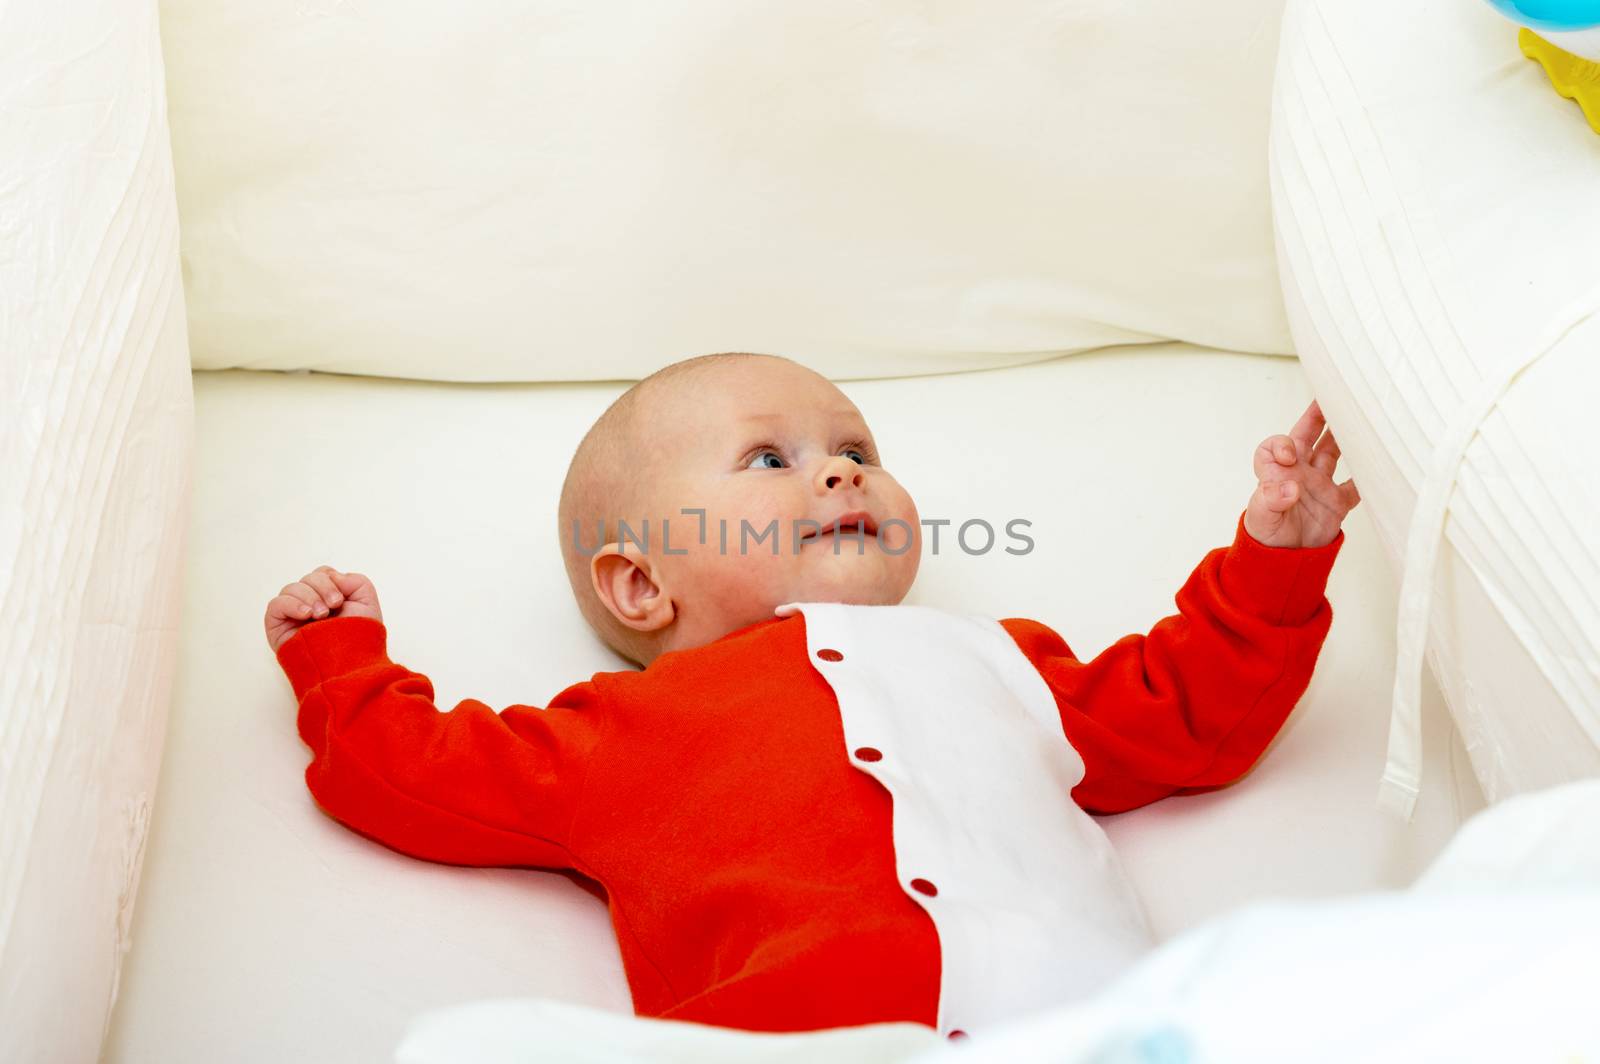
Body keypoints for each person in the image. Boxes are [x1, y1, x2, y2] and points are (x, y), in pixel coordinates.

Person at [264, 352, 1358, 1041]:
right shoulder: (618, 729)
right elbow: (416, 769)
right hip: (798, 1030)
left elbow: (1183, 710)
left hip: (1094, 1015)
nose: (840, 472)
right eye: (768, 459)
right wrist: (340, 658)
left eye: (855, 450)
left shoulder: (999, 658)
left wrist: (1276, 553)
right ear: (643, 581)